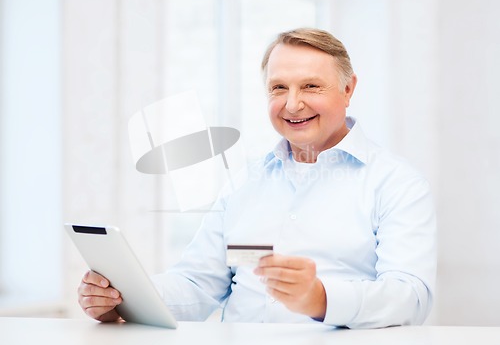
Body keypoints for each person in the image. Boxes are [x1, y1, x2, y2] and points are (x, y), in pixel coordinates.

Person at [78, 28, 436, 329]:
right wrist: (121, 298)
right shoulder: (244, 181)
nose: (293, 104)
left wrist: (321, 298)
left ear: (348, 90)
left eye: (311, 86)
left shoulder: (397, 184)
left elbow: (411, 297)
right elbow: (198, 284)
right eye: (279, 88)